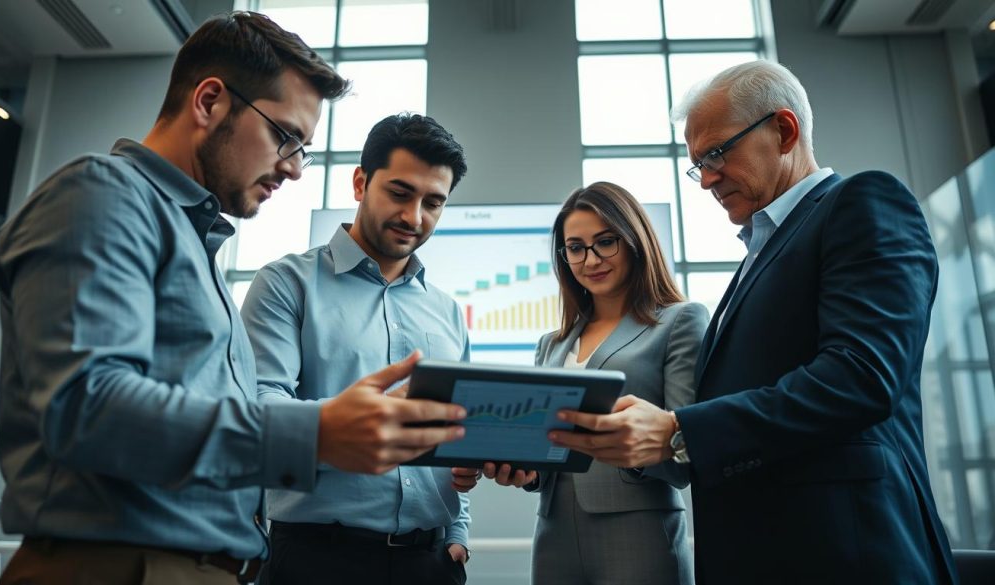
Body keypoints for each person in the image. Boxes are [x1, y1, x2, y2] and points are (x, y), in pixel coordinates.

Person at [0, 13, 466, 585]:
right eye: (284, 136)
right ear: (210, 101)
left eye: (303, 149)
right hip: (124, 565)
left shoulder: (196, 246)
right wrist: (319, 432)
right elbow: (85, 407)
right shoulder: (102, 196)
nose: (292, 168)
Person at [546, 60, 959, 584]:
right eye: (698, 164)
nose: (707, 180)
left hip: (846, 552)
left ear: (784, 131)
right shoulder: (757, 257)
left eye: (717, 153)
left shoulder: (862, 202)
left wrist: (680, 430)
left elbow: (862, 375)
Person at [240, 113, 471, 585]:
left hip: (430, 561)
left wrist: (459, 531)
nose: (414, 217)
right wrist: (354, 422)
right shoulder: (287, 284)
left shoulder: (447, 312)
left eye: (434, 202)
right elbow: (258, 411)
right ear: (361, 182)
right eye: (401, 193)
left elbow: (452, 434)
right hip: (316, 559)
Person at [458, 182, 708, 585]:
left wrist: (630, 443)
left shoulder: (679, 321)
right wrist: (522, 469)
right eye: (575, 247)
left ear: (634, 241)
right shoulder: (552, 344)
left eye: (604, 242)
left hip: (637, 528)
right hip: (554, 531)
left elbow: (685, 455)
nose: (590, 259)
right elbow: (545, 450)